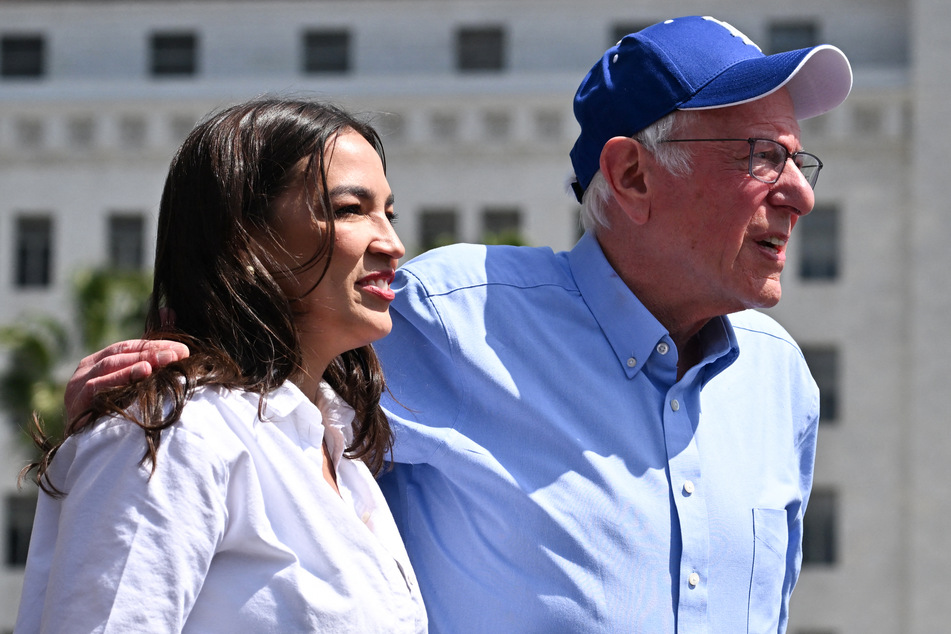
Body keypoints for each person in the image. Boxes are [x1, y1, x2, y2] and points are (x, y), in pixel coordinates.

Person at [59, 16, 852, 632]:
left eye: (796, 159)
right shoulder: (437, 318)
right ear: (632, 173)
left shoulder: (779, 382)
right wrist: (144, 404)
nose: (798, 193)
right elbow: (255, 372)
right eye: (758, 155)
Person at [15, 98, 427, 632]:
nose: (392, 244)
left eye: (388, 214)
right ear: (245, 237)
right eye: (351, 209)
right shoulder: (176, 431)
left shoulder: (339, 454)